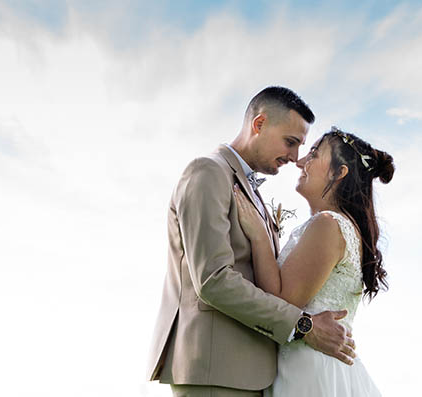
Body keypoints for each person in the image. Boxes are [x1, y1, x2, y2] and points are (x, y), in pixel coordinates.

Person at [147, 87, 356, 397]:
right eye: (290, 142)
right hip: (215, 372)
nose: (294, 157)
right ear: (259, 124)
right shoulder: (208, 172)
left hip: (251, 373)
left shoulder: (248, 189)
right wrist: (304, 326)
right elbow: (213, 280)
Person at [234, 126, 395, 396]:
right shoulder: (339, 226)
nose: (299, 162)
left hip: (311, 371)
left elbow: (281, 302)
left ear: (339, 172)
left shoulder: (328, 225)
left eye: (314, 155)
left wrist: (260, 237)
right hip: (318, 366)